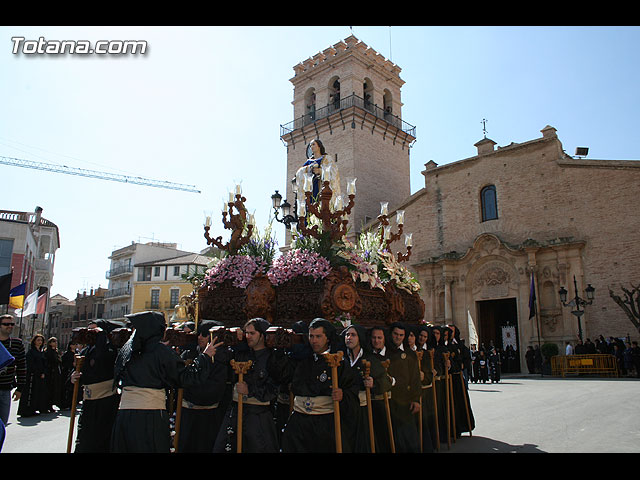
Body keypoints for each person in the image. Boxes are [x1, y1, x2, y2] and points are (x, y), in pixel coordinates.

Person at [110, 311, 217, 453]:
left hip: (124, 415)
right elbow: (184, 378)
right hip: (149, 416)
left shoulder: (127, 349)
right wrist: (205, 356)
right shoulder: (160, 351)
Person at [281, 318, 359, 453]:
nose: (314, 341)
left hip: (325, 423)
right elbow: (282, 375)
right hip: (299, 421)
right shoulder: (302, 359)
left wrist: (343, 394)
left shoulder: (338, 361)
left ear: (327, 338)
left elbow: (352, 389)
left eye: (318, 336)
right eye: (311, 336)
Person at [213, 318, 280, 453]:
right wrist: (232, 338)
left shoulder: (272, 357)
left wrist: (250, 390)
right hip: (236, 411)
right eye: (246, 333)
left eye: (252, 333)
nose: (248, 336)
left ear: (262, 335)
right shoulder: (240, 353)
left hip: (258, 415)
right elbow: (220, 357)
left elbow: (274, 388)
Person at [70, 319, 123, 453]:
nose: (90, 334)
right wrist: (73, 377)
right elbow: (80, 371)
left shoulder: (110, 349)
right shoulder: (85, 351)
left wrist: (101, 337)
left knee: (100, 440)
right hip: (88, 402)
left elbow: (101, 360)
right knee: (83, 439)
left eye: (93, 331)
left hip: (105, 402)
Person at [176, 320, 228, 453]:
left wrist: (191, 390)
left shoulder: (221, 359)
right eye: (199, 333)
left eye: (204, 334)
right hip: (188, 413)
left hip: (208, 415)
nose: (200, 337)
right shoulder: (188, 355)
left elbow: (213, 389)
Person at [341, 323, 390, 453]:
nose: (349, 338)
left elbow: (385, 381)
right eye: (347, 335)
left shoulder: (370, 359)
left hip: (362, 412)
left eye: (353, 335)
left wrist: (373, 383)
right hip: (343, 410)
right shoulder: (340, 359)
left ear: (360, 338)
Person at [383, 322, 422, 453]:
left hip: (404, 399)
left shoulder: (409, 354)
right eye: (395, 334)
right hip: (387, 399)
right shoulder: (384, 352)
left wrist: (416, 399)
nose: (398, 337)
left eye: (401, 335)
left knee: (407, 436)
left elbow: (415, 379)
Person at [0, 314, 26, 427]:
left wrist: (20, 388)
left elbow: (22, 367)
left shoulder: (17, 343)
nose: (9, 326)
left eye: (11, 324)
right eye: (6, 324)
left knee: (2, 425)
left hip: (6, 390)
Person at [17, 334, 48, 417]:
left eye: (41, 340)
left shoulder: (42, 352)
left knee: (36, 393)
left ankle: (33, 409)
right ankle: (26, 411)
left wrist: (43, 372)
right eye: (38, 340)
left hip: (39, 376)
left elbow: (44, 363)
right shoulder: (31, 352)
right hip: (32, 375)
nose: (39, 342)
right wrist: (37, 372)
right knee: (29, 393)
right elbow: (30, 364)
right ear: (34, 341)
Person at [43, 337, 63, 412]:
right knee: (49, 389)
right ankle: (47, 405)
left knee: (54, 389)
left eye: (56, 341)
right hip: (50, 373)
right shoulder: (48, 352)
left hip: (55, 373)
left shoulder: (56, 352)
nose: (55, 343)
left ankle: (51, 405)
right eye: (53, 342)